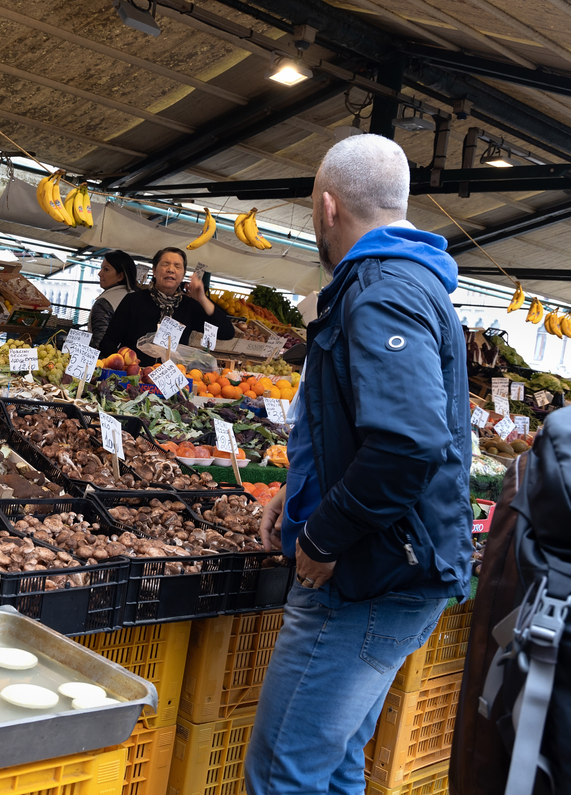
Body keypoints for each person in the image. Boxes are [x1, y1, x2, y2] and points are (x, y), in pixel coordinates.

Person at [246, 134, 472, 794]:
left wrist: (325, 532)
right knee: (337, 759)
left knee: (284, 769)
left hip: (366, 578)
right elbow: (371, 421)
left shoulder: (382, 291)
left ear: (326, 208)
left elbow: (410, 442)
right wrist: (305, 486)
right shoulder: (411, 281)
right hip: (394, 569)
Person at [98, 247, 234, 365]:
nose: (171, 270)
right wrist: (126, 364)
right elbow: (107, 343)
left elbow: (226, 332)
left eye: (177, 266)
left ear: (183, 274)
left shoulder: (190, 307)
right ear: (154, 270)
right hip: (134, 379)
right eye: (165, 264)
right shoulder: (134, 301)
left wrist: (202, 299)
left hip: (171, 381)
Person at [88, 250, 138, 343]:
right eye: (101, 268)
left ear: (120, 276)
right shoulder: (138, 298)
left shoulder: (105, 303)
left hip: (110, 357)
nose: (100, 273)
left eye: (106, 269)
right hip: (133, 356)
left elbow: (100, 343)